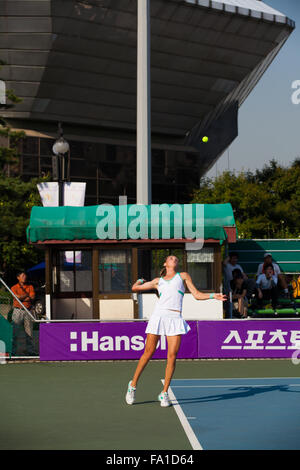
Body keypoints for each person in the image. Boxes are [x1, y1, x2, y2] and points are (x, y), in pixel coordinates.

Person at [125, 255, 227, 407]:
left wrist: (213, 295)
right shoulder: (157, 281)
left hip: (175, 318)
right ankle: (132, 385)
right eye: (170, 258)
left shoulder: (183, 276)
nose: (174, 258)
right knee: (148, 352)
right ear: (165, 263)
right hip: (158, 317)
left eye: (175, 258)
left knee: (172, 356)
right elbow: (135, 288)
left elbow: (197, 295)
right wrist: (139, 281)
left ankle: (164, 393)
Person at [11, 271, 36, 356]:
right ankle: (13, 352)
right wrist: (26, 295)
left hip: (28, 310)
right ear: (18, 277)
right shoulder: (14, 287)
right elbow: (17, 297)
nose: (24, 277)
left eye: (25, 275)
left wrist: (22, 297)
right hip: (18, 310)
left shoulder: (30, 286)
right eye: (22, 275)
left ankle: (31, 352)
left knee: (29, 332)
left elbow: (32, 297)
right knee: (15, 332)